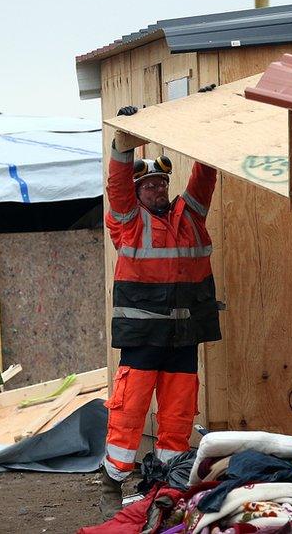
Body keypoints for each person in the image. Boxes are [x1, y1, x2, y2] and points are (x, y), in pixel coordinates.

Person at [99, 106, 223, 517]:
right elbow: (117, 186)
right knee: (131, 404)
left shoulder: (189, 215)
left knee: (179, 407)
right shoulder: (127, 222)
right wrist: (123, 144)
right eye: (149, 185)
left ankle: (170, 473)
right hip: (142, 336)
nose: (156, 190)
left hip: (183, 335)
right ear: (137, 192)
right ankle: (115, 473)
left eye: (161, 183)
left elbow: (205, 178)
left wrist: (208, 123)